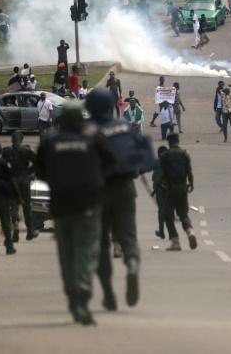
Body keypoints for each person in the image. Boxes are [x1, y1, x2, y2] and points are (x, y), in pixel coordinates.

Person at [35, 103, 116, 325]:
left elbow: (39, 170)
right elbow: (111, 163)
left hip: (61, 205)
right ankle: (82, 293)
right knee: (86, 252)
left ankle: (72, 295)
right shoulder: (94, 138)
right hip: (89, 204)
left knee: (67, 254)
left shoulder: (50, 140)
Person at [84, 89, 154, 313]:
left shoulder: (85, 131)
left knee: (101, 244)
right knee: (128, 236)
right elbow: (144, 161)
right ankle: (132, 262)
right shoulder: (125, 127)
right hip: (125, 189)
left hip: (96, 191)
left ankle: (108, 294)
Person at [158, 133, 197, 251]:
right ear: (178, 141)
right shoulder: (185, 155)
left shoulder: (165, 156)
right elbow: (189, 172)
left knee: (167, 215)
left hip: (170, 190)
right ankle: (190, 232)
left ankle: (175, 241)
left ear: (169, 142)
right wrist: (191, 184)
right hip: (182, 188)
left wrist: (160, 184)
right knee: (183, 214)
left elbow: (163, 174)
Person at [3, 131, 39, 242]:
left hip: (12, 181)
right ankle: (29, 231)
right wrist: (29, 172)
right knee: (27, 206)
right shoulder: (26, 151)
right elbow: (37, 163)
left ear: (12, 139)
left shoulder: (6, 151)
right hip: (24, 180)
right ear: (22, 139)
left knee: (13, 206)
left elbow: (2, 166)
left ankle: (16, 227)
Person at [152, 146, 170, 239]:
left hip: (159, 189)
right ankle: (169, 233)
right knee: (168, 210)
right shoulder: (170, 162)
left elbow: (154, 177)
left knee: (161, 211)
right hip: (169, 188)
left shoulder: (156, 162)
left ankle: (161, 231)